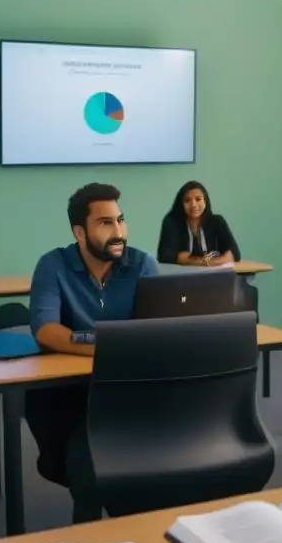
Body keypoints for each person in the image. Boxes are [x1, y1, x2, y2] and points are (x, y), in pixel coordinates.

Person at [24, 183, 159, 521]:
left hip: (130, 389)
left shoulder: (142, 265)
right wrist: (107, 345)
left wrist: (93, 343)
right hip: (71, 392)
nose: (118, 232)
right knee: (85, 461)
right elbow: (46, 330)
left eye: (121, 220)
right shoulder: (53, 265)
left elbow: (155, 333)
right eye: (106, 223)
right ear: (80, 232)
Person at [157, 181, 240, 267]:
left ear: (205, 201)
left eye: (198, 199)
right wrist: (215, 261)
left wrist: (188, 259)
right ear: (181, 204)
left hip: (214, 275)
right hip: (181, 277)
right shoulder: (171, 222)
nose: (193, 205)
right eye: (187, 200)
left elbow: (234, 254)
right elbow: (166, 257)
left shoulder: (217, 221)